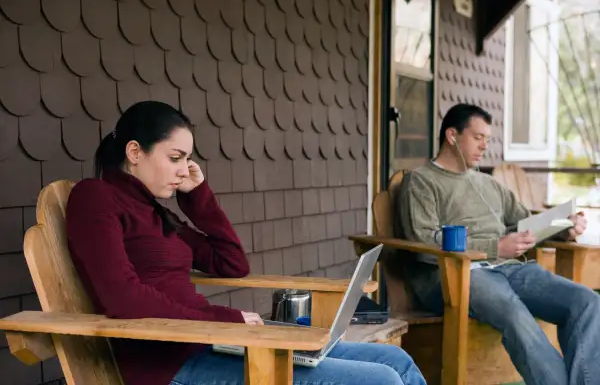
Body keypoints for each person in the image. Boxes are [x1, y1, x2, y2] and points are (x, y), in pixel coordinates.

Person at [65, 101, 426, 385]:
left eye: (187, 160)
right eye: (175, 158)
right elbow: (124, 297)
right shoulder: (96, 198)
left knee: (397, 361)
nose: (183, 170)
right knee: (382, 380)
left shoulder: (157, 212)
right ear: (134, 152)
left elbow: (231, 262)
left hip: (213, 344)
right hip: (169, 367)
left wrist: (197, 196)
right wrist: (225, 319)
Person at [394, 102, 600, 385]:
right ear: (452, 135)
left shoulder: (489, 185)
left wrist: (563, 227)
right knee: (515, 314)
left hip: (510, 270)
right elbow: (425, 239)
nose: (484, 147)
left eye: (487, 140)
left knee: (586, 302)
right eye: (478, 138)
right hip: (456, 276)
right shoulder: (422, 182)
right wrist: (495, 247)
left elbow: (525, 223)